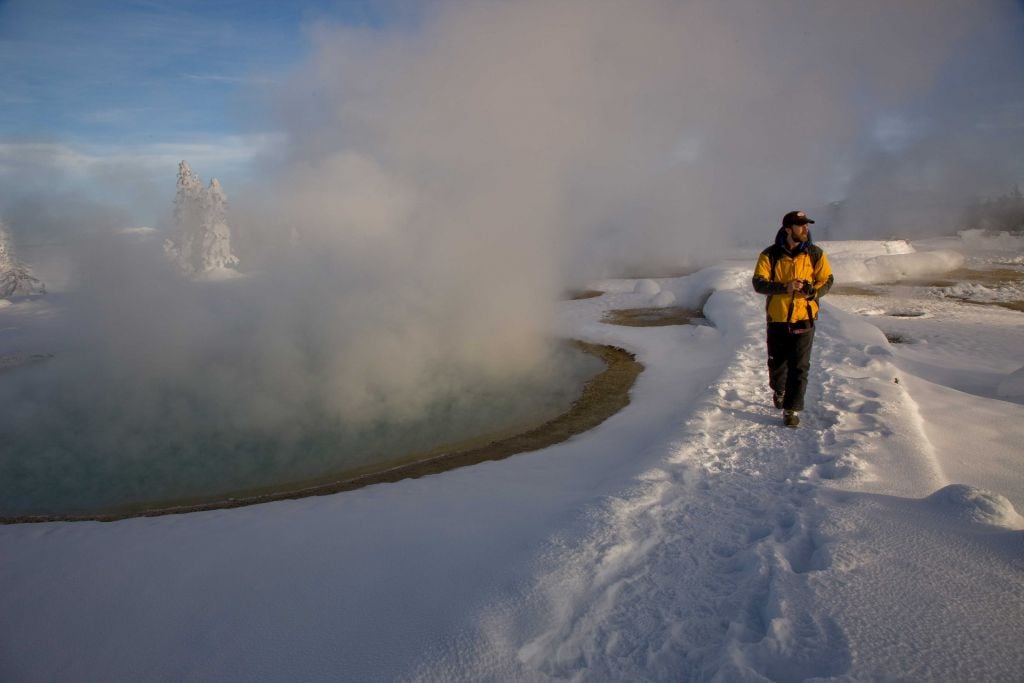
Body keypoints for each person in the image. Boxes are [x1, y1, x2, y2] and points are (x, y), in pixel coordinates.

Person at [752, 211, 834, 427]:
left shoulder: (815, 254)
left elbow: (827, 279)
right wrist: (785, 287)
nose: (805, 229)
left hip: (804, 317)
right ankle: (779, 390)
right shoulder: (770, 255)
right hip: (777, 318)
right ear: (788, 229)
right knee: (778, 363)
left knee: (799, 366)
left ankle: (792, 409)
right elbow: (759, 283)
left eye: (806, 225)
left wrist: (813, 292)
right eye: (800, 226)